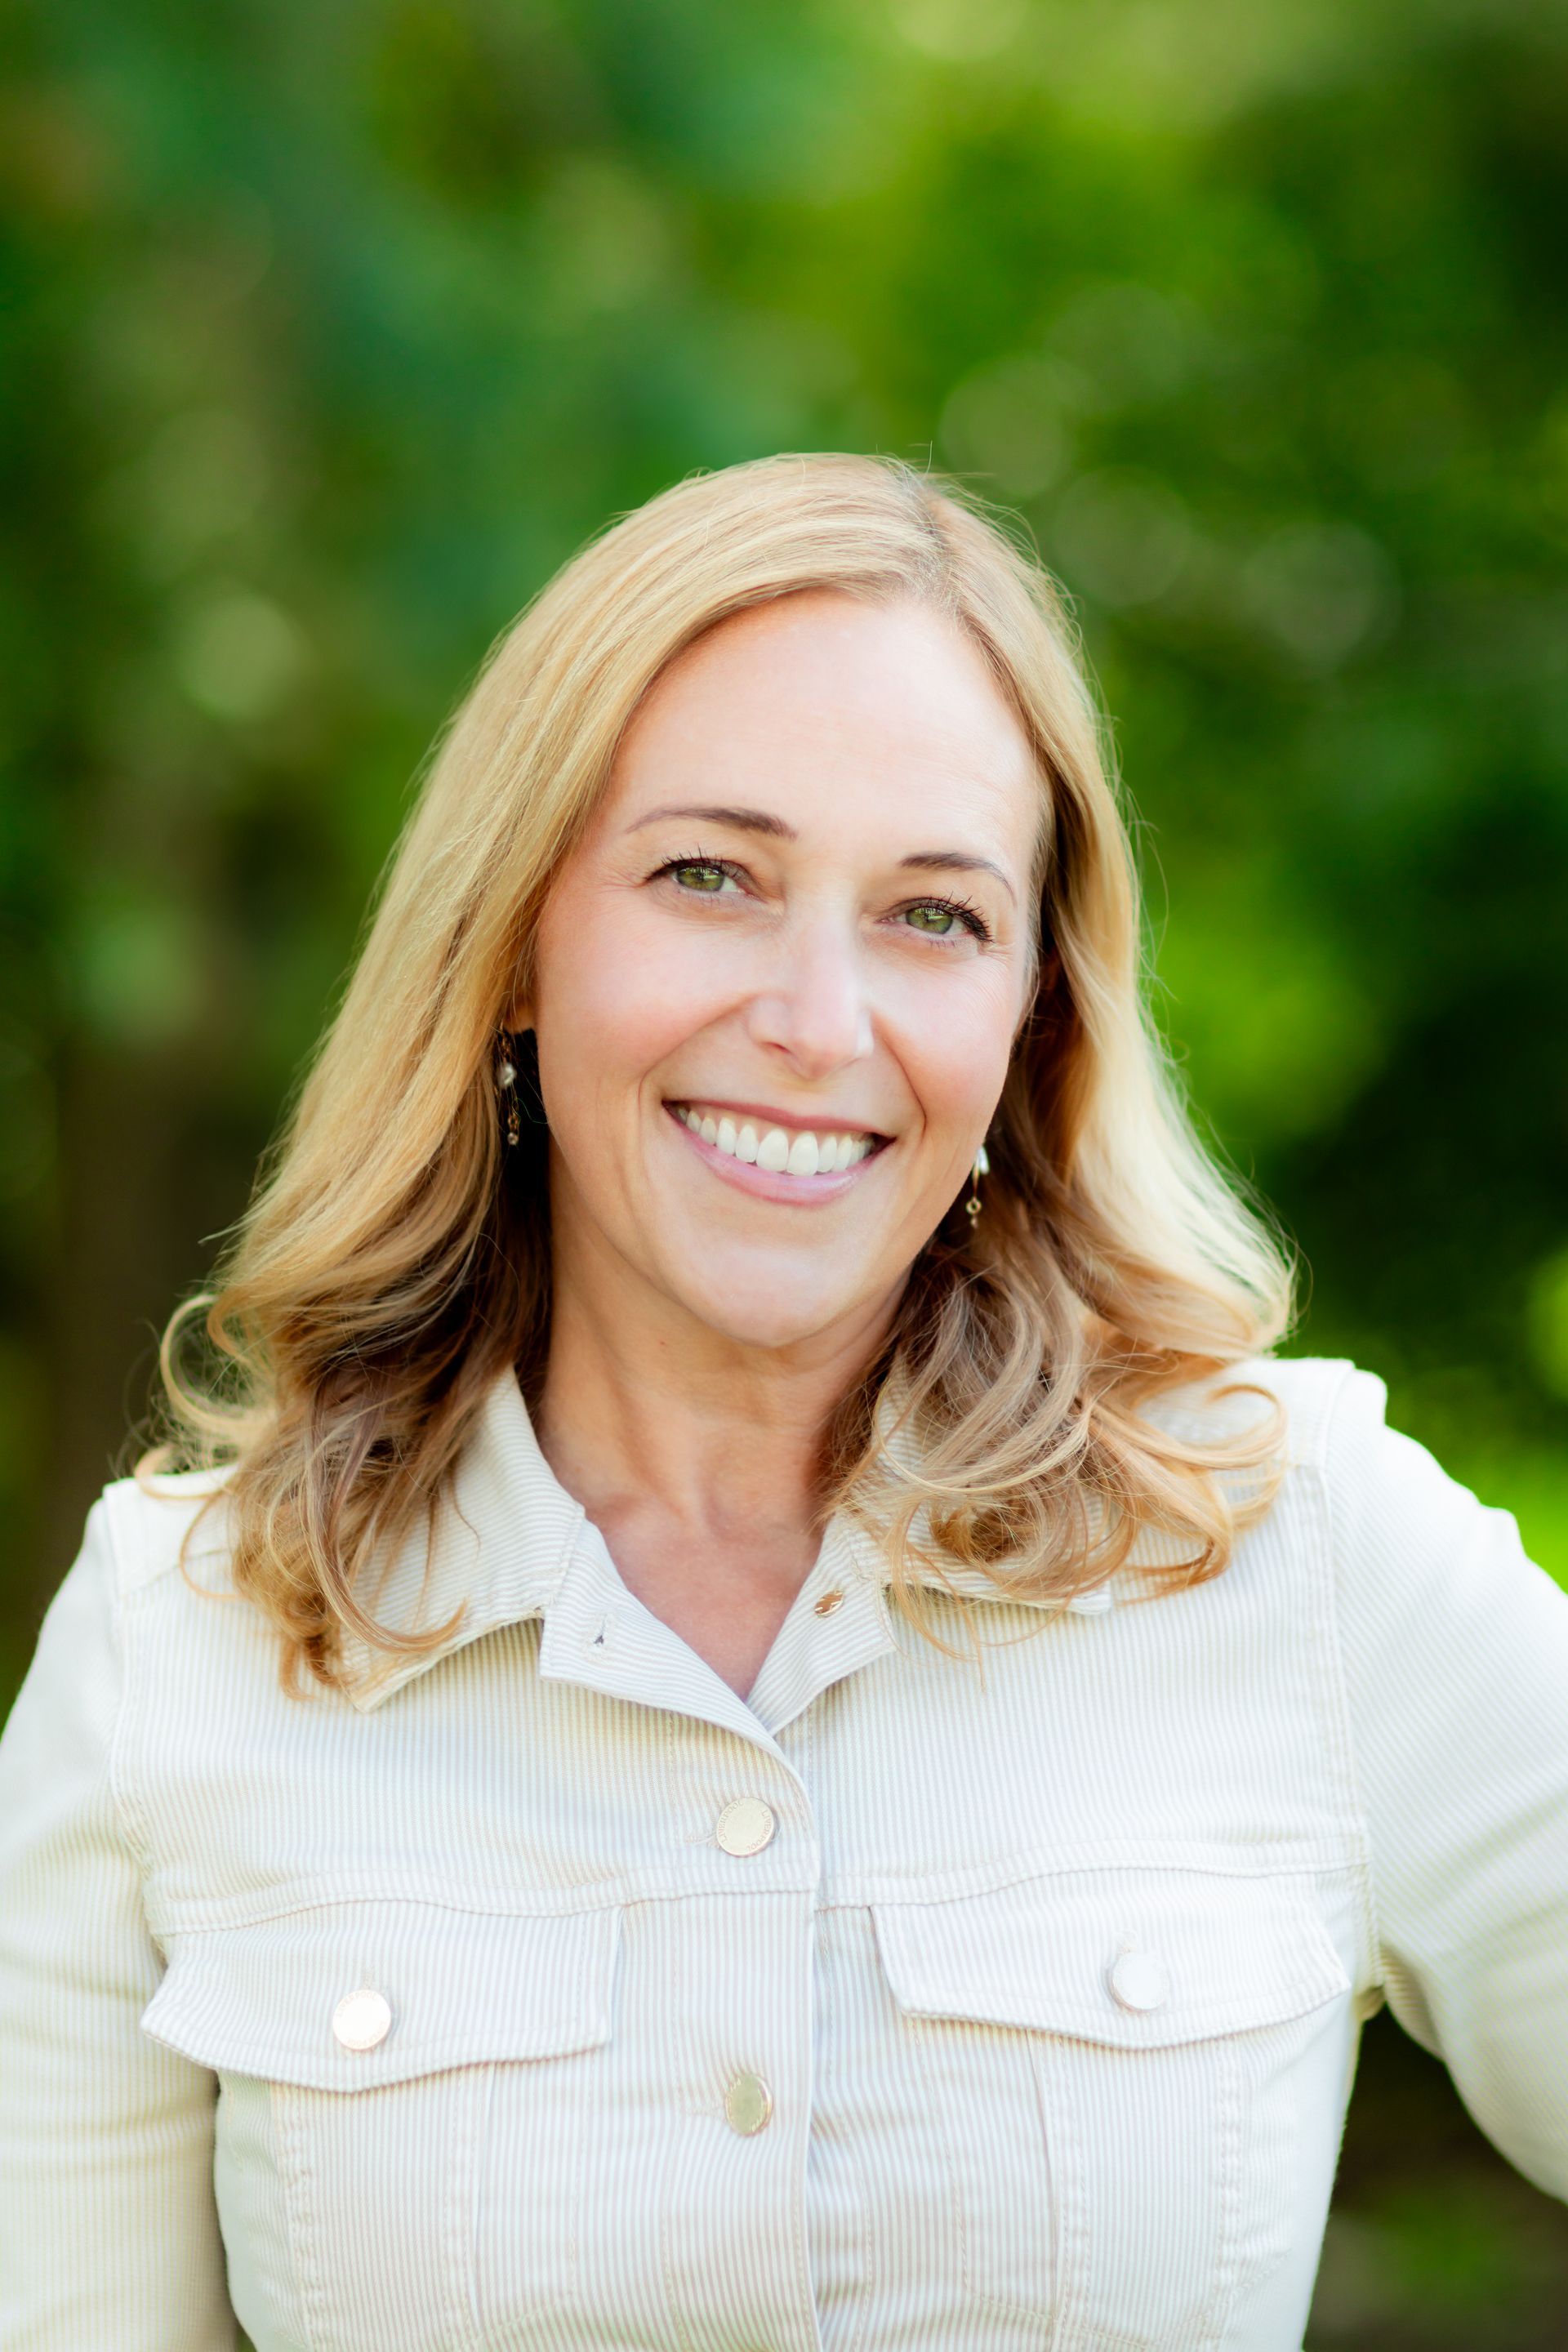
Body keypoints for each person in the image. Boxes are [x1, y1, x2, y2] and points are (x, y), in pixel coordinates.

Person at [1, 453, 1565, 2352]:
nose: (820, 1022)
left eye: (934, 915)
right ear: (514, 946)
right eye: (710, 877)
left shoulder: (1300, 1548)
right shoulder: (181, 1637)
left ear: (1032, 1016)